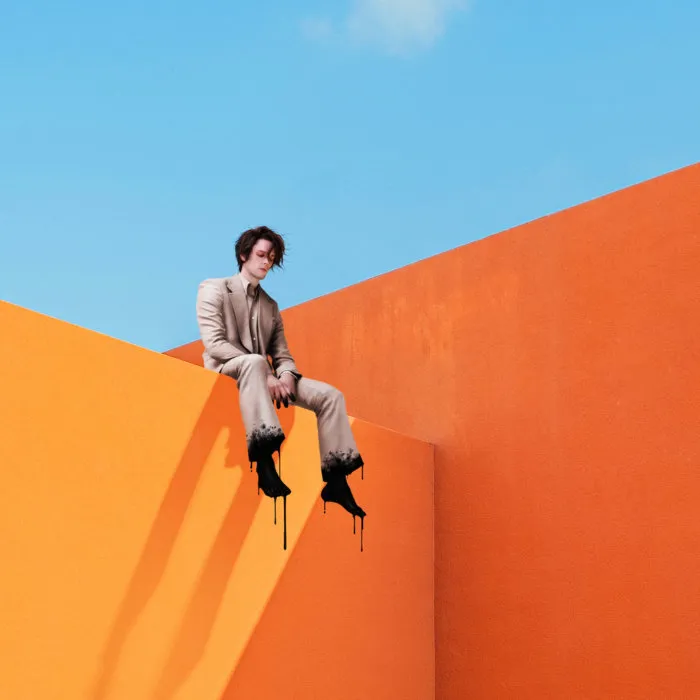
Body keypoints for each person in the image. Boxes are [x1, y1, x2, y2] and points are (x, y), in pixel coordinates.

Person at [196, 226, 366, 548]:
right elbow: (215, 344)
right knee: (255, 363)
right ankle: (264, 462)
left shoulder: (270, 306)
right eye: (261, 255)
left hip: (265, 376)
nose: (266, 263)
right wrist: (266, 373)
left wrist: (286, 374)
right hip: (228, 369)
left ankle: (336, 480)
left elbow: (283, 355)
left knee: (331, 396)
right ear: (244, 254)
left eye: (271, 259)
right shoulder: (214, 288)